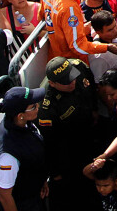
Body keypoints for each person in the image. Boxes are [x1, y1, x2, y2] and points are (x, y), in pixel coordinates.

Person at [39, 57, 98, 208]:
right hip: (71, 147)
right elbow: (50, 144)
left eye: (72, 77)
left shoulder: (79, 67)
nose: (72, 82)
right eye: (65, 82)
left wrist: (95, 110)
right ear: (52, 83)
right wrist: (56, 173)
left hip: (91, 129)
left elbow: (92, 88)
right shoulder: (47, 107)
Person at [0, 86, 49, 211]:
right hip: (22, 204)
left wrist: (42, 180)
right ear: (20, 115)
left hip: (34, 195)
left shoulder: (23, 124)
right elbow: (4, 195)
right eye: (33, 106)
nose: (38, 107)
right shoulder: (8, 156)